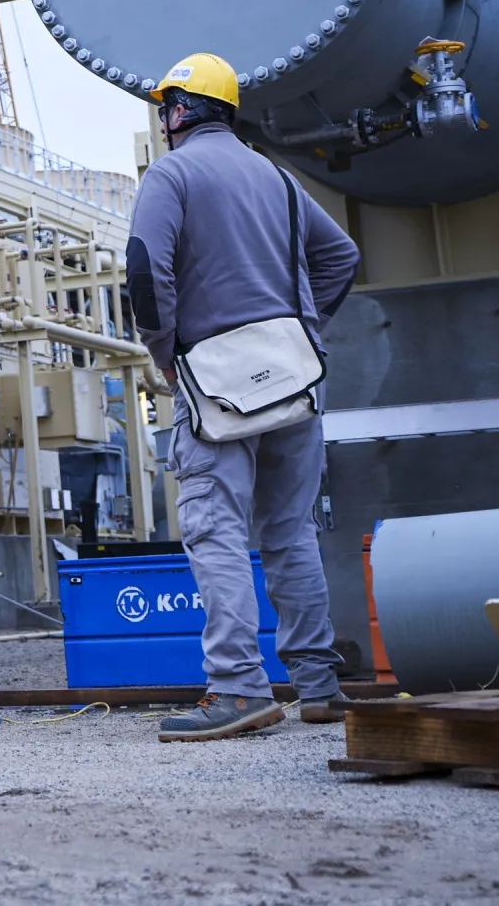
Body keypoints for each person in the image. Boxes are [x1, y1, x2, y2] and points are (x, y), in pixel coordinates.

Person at [127, 52, 362, 742]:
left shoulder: (171, 173)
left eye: (167, 105)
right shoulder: (278, 180)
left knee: (216, 530)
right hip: (297, 380)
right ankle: (320, 687)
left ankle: (238, 689)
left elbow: (146, 273)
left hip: (216, 391)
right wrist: (300, 332)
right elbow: (340, 256)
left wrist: (168, 357)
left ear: (181, 110)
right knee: (290, 533)